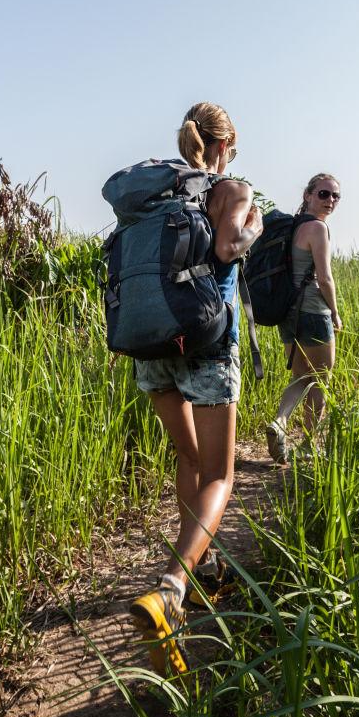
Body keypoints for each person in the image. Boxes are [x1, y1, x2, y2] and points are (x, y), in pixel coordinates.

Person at [129, 102, 262, 676]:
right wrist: (252, 226)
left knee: (186, 456)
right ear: (225, 144)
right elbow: (231, 247)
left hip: (149, 342)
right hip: (206, 342)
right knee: (220, 475)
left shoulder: (156, 190)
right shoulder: (230, 187)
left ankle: (199, 568)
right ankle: (172, 586)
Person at [266, 173, 342, 463]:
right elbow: (324, 277)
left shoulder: (292, 227)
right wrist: (334, 312)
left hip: (288, 313)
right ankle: (310, 446)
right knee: (321, 379)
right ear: (308, 195)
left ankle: (280, 422)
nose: (330, 200)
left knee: (301, 376)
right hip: (313, 311)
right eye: (324, 194)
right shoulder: (318, 228)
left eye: (335, 196)